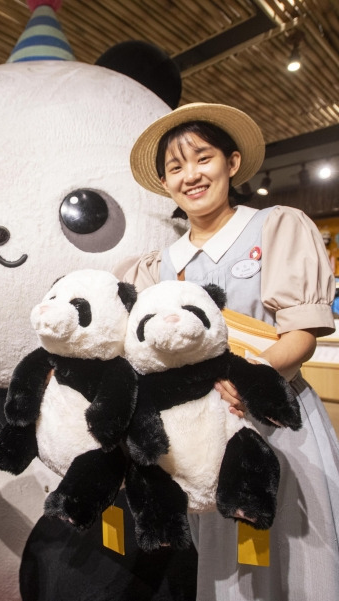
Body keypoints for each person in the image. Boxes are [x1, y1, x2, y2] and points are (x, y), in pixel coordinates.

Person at [116, 102, 339, 600]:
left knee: (302, 550)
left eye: (203, 158)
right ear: (164, 183)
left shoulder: (276, 227)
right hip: (206, 433)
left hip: (279, 417)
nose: (190, 175)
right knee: (228, 563)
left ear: (232, 163)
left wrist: (245, 379)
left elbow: (300, 336)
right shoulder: (156, 267)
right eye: (175, 168)